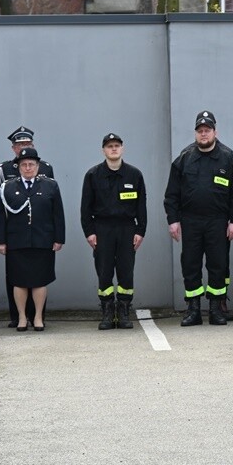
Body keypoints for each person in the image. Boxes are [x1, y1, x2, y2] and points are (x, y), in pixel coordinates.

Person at [164, 111, 233, 326]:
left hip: (218, 221)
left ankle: (216, 309)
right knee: (190, 264)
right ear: (195, 133)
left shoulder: (227, 157)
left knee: (218, 264)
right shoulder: (184, 158)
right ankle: (193, 310)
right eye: (200, 131)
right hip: (190, 220)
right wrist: (173, 221)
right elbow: (171, 194)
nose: (203, 134)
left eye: (207, 130)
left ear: (215, 132)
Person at [0, 147, 64, 331]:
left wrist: (59, 238)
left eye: (31, 164)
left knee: (40, 281)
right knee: (19, 281)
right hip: (17, 242)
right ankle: (22, 318)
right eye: (24, 165)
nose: (28, 168)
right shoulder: (7, 187)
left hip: (42, 241)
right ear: (18, 167)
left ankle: (39, 317)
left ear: (38, 166)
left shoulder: (50, 185)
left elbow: (58, 215)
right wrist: (0, 241)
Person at [81, 132, 147, 331]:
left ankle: (124, 310)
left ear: (122, 148)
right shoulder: (93, 175)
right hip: (102, 229)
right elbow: (85, 208)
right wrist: (89, 232)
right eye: (110, 146)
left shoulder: (134, 174)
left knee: (126, 271)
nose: (114, 149)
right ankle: (108, 310)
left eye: (117, 145)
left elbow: (141, 206)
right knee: (104, 271)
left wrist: (140, 230)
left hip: (127, 228)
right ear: (104, 150)